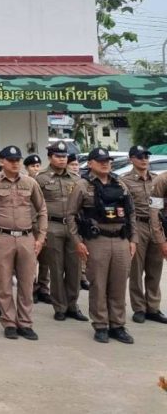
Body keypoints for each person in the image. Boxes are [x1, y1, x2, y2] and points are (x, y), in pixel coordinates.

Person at [66, 147, 137, 344]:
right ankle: (100, 325)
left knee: (119, 284)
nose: (105, 164)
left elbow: (131, 213)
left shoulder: (120, 184)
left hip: (121, 239)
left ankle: (118, 325)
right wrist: (78, 242)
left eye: (108, 160)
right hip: (97, 241)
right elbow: (70, 216)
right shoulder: (82, 185)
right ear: (90, 164)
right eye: (101, 160)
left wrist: (133, 240)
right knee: (98, 284)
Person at [0, 145, 48, 341]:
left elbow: (42, 210)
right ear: (2, 162)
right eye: (11, 160)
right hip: (2, 237)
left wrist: (40, 237)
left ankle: (25, 323)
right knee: (3, 283)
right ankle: (9, 322)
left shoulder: (30, 182)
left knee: (26, 283)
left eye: (18, 160)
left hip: (26, 238)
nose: (15, 163)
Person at [34, 141, 86, 322]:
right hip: (52, 226)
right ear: (50, 157)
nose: (62, 159)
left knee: (75, 269)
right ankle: (60, 307)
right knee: (56, 269)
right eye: (58, 156)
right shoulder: (41, 179)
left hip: (73, 228)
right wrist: (39, 232)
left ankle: (72, 305)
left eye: (64, 156)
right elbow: (34, 207)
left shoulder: (76, 178)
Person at [124, 145, 167, 324]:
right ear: (131, 159)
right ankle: (139, 308)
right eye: (140, 156)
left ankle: (153, 307)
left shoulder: (157, 179)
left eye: (146, 157)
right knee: (136, 270)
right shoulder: (124, 181)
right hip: (138, 226)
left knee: (155, 269)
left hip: (157, 226)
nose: (144, 160)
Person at [144, 156, 167, 324]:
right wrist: (161, 241)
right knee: (152, 272)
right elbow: (154, 213)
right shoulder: (162, 180)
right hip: (164, 232)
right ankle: (145, 308)